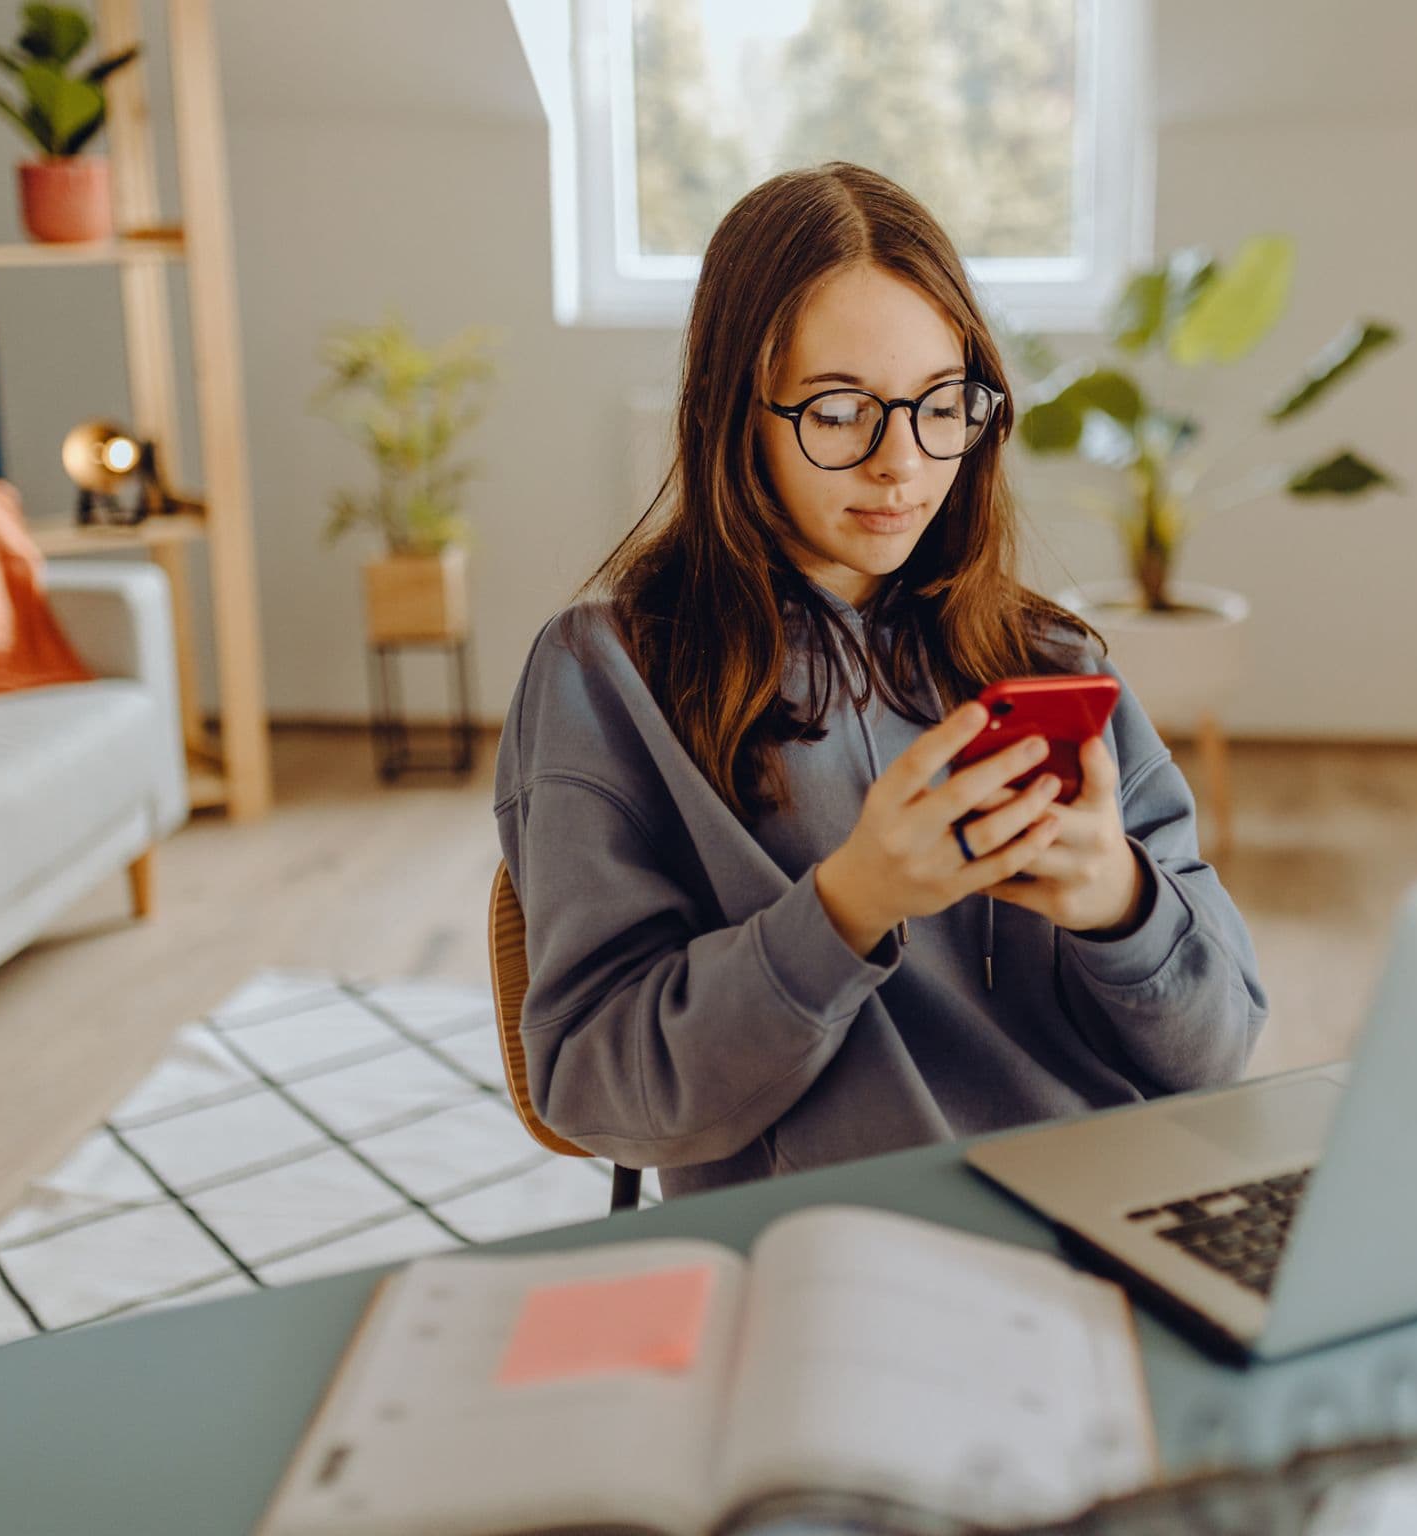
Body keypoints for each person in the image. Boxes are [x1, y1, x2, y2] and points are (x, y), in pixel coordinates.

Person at [495, 162, 1269, 1200]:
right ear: (736, 413)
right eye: (837, 410)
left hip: (1102, 1214)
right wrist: (845, 908)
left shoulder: (1055, 661)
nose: (899, 461)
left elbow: (1218, 1047)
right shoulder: (607, 675)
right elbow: (596, 1089)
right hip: (831, 1248)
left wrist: (1119, 903)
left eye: (939, 406)